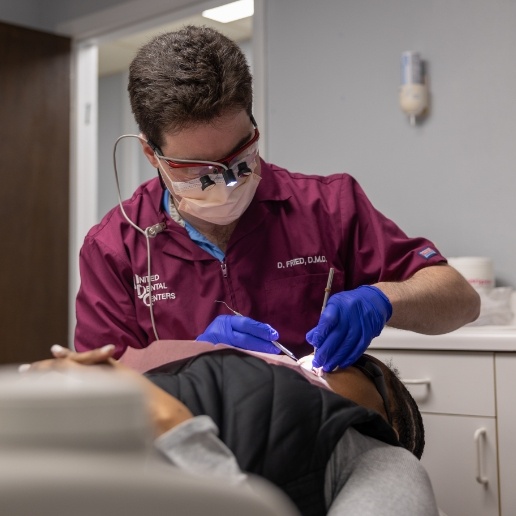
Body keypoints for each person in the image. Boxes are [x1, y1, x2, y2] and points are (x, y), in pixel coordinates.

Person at [74, 25, 480, 371]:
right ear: (152, 154)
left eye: (240, 157)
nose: (228, 182)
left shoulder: (327, 206)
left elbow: (460, 299)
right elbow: (99, 382)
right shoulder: (115, 247)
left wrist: (383, 299)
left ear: (252, 127)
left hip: (315, 432)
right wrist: (194, 357)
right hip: (183, 446)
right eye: (199, 171)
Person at [27, 343, 440, 516]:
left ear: (385, 420)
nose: (317, 362)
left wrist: (175, 429)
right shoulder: (208, 369)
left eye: (368, 371)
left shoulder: (385, 460)